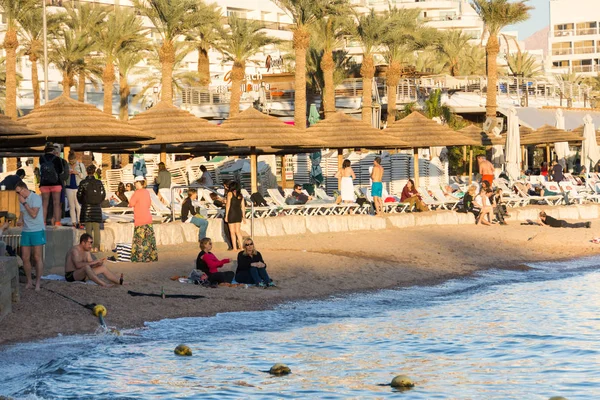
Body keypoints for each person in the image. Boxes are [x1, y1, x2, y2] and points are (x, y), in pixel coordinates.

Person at [15, 182, 45, 291]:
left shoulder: (35, 198)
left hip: (37, 230)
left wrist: (24, 203)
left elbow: (33, 214)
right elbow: (22, 215)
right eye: (17, 193)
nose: (18, 194)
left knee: (37, 257)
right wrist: (19, 220)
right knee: (25, 257)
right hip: (26, 231)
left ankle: (38, 282)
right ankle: (29, 281)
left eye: (19, 192)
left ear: (24, 189)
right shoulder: (21, 202)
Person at [128, 176, 158, 262]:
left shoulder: (137, 193)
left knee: (139, 240)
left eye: (135, 183)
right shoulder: (147, 192)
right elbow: (148, 204)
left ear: (138, 183)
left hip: (140, 218)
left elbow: (131, 203)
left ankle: (139, 257)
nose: (134, 185)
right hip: (147, 217)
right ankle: (150, 257)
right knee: (148, 240)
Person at [77, 165, 105, 252]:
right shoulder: (99, 182)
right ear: (94, 171)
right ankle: (96, 246)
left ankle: (89, 246)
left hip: (86, 208)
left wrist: (83, 202)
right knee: (96, 228)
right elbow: (103, 194)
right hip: (96, 207)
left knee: (88, 228)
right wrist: (98, 202)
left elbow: (79, 195)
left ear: (86, 171)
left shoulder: (83, 182)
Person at [39, 143, 65, 226]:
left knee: (44, 204)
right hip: (55, 183)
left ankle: (43, 222)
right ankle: (57, 222)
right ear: (53, 150)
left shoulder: (41, 158)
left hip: (44, 184)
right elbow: (61, 171)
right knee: (56, 203)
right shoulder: (57, 159)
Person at [65, 153, 86, 227]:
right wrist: (68, 173)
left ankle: (80, 221)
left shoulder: (80, 165)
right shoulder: (66, 166)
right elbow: (63, 176)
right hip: (69, 187)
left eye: (72, 161)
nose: (71, 163)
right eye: (70, 161)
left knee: (78, 205)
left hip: (77, 187)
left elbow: (84, 176)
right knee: (71, 206)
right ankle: (73, 222)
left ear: (75, 159)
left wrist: (77, 173)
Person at [226, 181, 245, 251]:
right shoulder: (241, 195)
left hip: (232, 213)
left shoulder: (230, 194)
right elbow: (243, 206)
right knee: (238, 231)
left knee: (232, 232)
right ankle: (242, 247)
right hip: (238, 214)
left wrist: (226, 216)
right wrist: (244, 217)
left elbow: (228, 205)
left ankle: (235, 248)